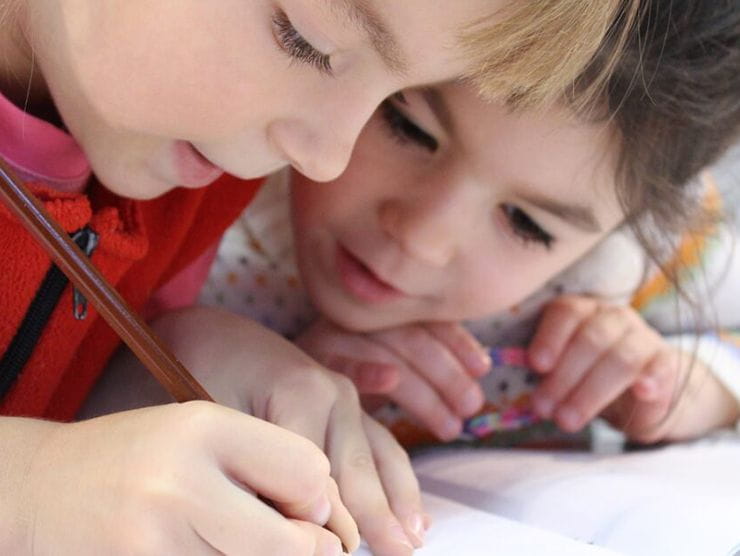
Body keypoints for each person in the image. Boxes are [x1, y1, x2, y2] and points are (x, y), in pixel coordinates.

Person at [0, 0, 643, 554]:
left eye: (387, 99)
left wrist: (165, 370)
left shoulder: (194, 172)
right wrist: (30, 495)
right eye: (306, 42)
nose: (326, 159)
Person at [196, 0, 740, 449]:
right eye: (408, 128)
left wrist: (693, 388)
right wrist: (241, 380)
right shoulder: (207, 185)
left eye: (527, 224)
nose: (420, 238)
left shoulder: (645, 256)